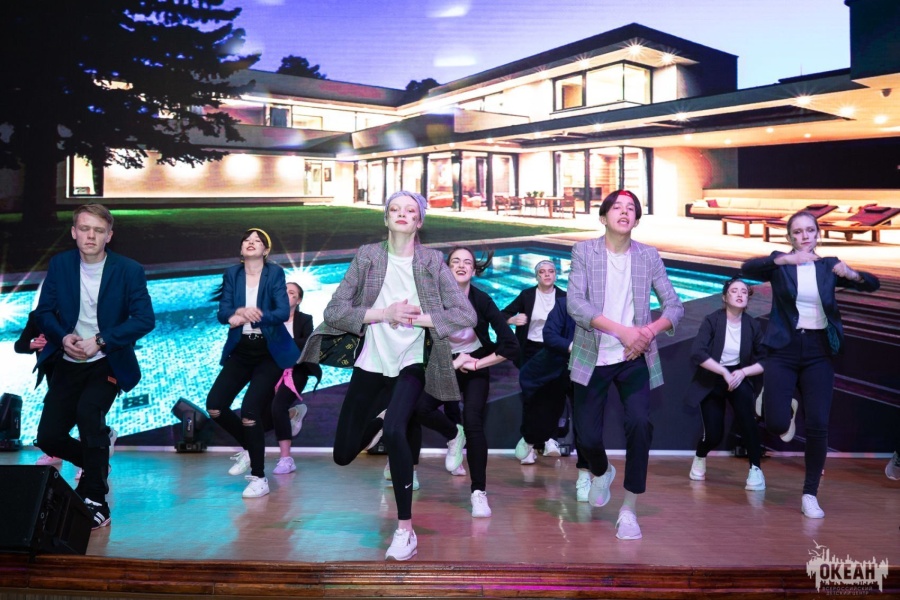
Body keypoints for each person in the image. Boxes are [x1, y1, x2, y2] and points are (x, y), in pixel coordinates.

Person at [299, 191, 476, 561]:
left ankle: (405, 531)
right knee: (343, 454)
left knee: (397, 431)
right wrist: (385, 313)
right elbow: (335, 311)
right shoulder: (368, 255)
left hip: (413, 359)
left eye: (410, 210)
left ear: (419, 222)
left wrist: (418, 319)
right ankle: (381, 417)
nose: (402, 214)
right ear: (386, 218)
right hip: (371, 360)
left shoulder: (431, 261)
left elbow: (465, 315)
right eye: (394, 209)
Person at [742, 210, 879, 518]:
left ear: (818, 234)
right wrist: (783, 260)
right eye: (798, 231)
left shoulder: (829, 265)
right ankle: (784, 407)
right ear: (790, 237)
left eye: (810, 230)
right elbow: (747, 267)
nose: (804, 236)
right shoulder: (780, 263)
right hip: (783, 349)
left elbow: (872, 284)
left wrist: (852, 274)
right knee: (776, 424)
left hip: (819, 351)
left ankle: (810, 494)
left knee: (818, 423)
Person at [567, 189, 684, 541]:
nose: (624, 211)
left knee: (639, 424)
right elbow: (575, 303)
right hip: (593, 355)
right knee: (587, 436)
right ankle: (601, 472)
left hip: (634, 357)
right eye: (616, 207)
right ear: (603, 217)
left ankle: (629, 509)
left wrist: (646, 333)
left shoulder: (648, 256)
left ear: (636, 219)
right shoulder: (584, 251)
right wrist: (623, 331)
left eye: (630, 208)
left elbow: (674, 306)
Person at [34, 203, 155, 529]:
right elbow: (44, 312)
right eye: (85, 229)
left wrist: (100, 340)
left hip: (107, 360)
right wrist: (63, 338)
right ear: (74, 232)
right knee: (48, 437)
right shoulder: (60, 264)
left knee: (89, 414)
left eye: (98, 230)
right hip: (68, 360)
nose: (91, 236)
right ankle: (96, 459)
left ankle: (96, 499)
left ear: (109, 236)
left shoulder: (129, 270)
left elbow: (145, 319)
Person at [414, 246, 519, 517]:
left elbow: (510, 345)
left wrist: (475, 364)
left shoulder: (482, 300)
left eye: (467, 262)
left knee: (473, 422)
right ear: (447, 269)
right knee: (419, 409)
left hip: (474, 364)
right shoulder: (433, 300)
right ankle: (452, 434)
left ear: (474, 270)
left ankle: (478, 493)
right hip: (445, 364)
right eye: (455, 262)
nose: (461, 266)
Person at [206, 228, 299, 498]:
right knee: (215, 406)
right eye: (247, 239)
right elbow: (223, 313)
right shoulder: (232, 274)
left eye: (257, 241)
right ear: (241, 248)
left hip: (269, 352)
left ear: (265, 251)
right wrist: (236, 313)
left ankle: (259, 477)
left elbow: (282, 312)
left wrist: (254, 315)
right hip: (241, 350)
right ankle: (249, 447)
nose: (251, 242)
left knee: (249, 411)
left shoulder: (275, 273)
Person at [684, 277, 766, 490]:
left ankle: (755, 469)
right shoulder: (712, 320)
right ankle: (700, 456)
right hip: (713, 377)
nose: (740, 295)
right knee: (714, 434)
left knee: (748, 423)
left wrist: (743, 372)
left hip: (738, 376)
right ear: (724, 297)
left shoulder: (752, 325)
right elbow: (697, 353)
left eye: (744, 292)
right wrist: (723, 372)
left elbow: (766, 360)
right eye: (734, 291)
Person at [519, 296, 593, 500]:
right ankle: (530, 439)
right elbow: (550, 335)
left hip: (586, 372)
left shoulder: (605, 305)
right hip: (554, 371)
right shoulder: (563, 304)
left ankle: (584, 475)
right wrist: (574, 347)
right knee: (543, 423)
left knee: (585, 425)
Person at [502, 259, 566, 464]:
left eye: (551, 271)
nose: (547, 275)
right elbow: (502, 315)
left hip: (555, 351)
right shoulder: (527, 295)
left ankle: (550, 440)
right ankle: (529, 444)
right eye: (542, 272)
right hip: (531, 350)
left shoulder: (564, 297)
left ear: (556, 275)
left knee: (554, 396)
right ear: (536, 276)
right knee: (531, 398)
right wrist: (512, 320)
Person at [267, 282, 322, 475]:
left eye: (291, 292)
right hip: (272, 370)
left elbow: (309, 342)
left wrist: (281, 342)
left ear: (298, 300)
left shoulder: (305, 319)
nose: (285, 294)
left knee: (278, 406)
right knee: (262, 411)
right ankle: (293, 413)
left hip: (297, 370)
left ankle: (286, 459)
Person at [15, 307, 60, 467]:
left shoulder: (72, 310)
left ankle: (90, 462)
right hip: (51, 372)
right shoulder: (36, 315)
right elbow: (19, 345)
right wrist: (34, 344)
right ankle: (54, 452)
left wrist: (52, 344)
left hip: (74, 366)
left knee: (81, 412)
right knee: (55, 413)